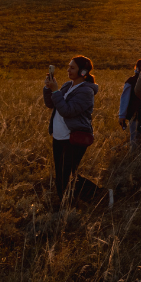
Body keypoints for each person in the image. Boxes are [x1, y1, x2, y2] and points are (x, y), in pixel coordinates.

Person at [44, 56, 100, 206]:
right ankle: (66, 203)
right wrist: (48, 88)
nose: (68, 70)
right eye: (69, 67)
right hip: (59, 137)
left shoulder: (86, 91)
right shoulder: (67, 86)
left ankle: (99, 197)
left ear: (83, 72)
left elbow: (68, 111)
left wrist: (56, 91)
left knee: (66, 175)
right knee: (63, 174)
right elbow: (51, 104)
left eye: (72, 68)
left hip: (73, 138)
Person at [119, 57, 141, 150]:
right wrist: (122, 115)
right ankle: (134, 156)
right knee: (135, 137)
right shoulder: (131, 81)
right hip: (135, 114)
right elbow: (125, 99)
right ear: (138, 68)